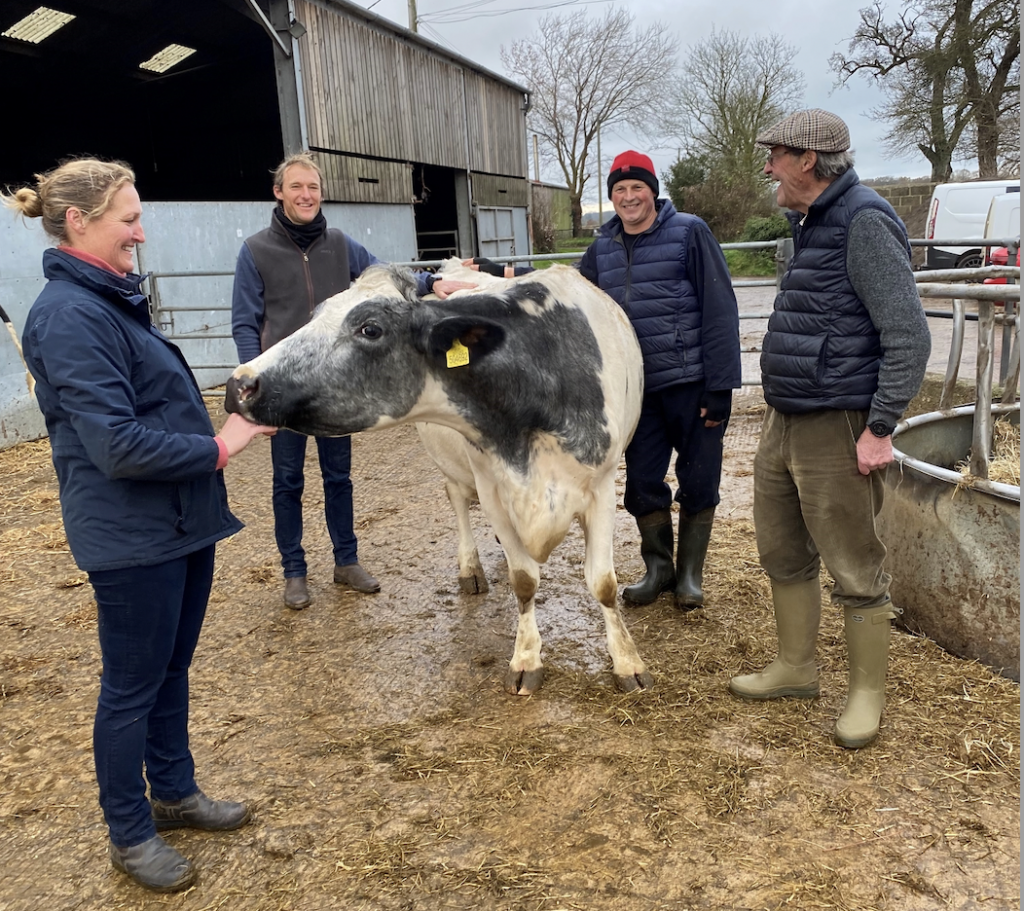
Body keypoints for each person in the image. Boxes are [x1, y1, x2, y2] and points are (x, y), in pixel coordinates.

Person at [5, 157, 276, 892]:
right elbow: (116, 445)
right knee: (130, 686)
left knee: (170, 669)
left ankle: (176, 792)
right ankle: (129, 832)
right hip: (130, 537)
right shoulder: (67, 316)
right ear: (79, 223)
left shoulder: (110, 301)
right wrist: (223, 444)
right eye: (128, 219)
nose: (141, 232)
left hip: (177, 522)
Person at [728, 110, 931, 749]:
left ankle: (866, 693)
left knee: (853, 560)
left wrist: (879, 427)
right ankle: (796, 668)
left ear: (808, 160)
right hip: (786, 418)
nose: (768, 167)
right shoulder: (814, 222)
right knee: (782, 547)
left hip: (839, 423)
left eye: (776, 155)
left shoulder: (863, 220)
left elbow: (909, 335)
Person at [470, 151, 741, 609]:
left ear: (652, 191)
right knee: (642, 482)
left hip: (690, 380)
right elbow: (566, 290)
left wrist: (720, 386)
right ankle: (659, 569)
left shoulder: (689, 233)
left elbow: (720, 308)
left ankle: (690, 575)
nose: (629, 197)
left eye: (637, 188)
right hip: (632, 390)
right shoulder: (605, 246)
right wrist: (499, 276)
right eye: (620, 190)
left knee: (698, 477)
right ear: (612, 196)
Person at [232, 152, 473, 609]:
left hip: (335, 383)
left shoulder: (340, 244)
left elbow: (386, 276)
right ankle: (294, 572)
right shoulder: (256, 250)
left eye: (314, 188)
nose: (307, 195)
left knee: (338, 476)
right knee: (287, 481)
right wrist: (254, 389)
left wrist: (431, 283)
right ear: (278, 192)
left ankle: (346, 561)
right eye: (297, 187)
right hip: (283, 386)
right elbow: (245, 322)